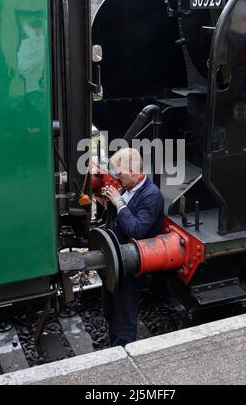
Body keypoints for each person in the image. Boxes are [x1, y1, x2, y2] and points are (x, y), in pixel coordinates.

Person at [101, 147, 164, 347]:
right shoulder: (126, 188)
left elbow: (136, 230)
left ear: (132, 171)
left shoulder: (152, 196)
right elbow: (116, 221)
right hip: (116, 260)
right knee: (110, 309)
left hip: (131, 266)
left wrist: (118, 203)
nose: (117, 177)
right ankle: (113, 345)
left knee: (125, 315)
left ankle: (124, 353)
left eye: (120, 173)